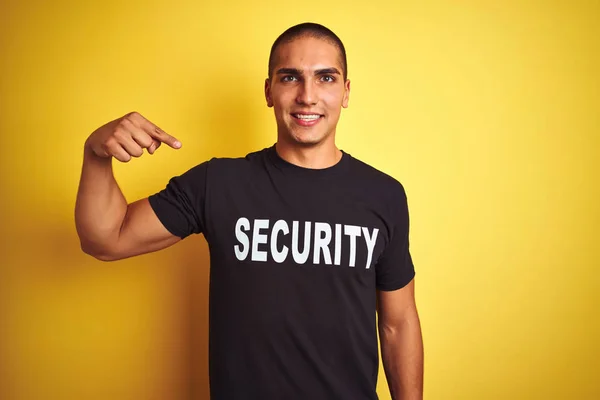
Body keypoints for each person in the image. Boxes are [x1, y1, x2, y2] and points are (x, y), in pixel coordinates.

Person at [75, 22, 424, 400]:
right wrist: (96, 155)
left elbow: (399, 323)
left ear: (346, 91)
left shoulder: (383, 194)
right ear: (269, 91)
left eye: (325, 78)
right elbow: (105, 239)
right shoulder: (218, 183)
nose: (308, 96)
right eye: (290, 77)